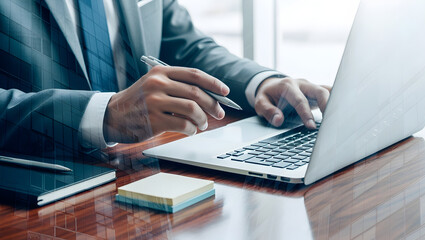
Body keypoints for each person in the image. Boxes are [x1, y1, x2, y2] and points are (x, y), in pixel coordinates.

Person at [0, 0, 329, 158]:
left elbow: (184, 44)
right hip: (34, 191)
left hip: (137, 176)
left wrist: (259, 82)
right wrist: (106, 114)